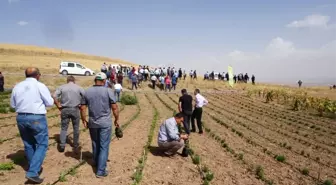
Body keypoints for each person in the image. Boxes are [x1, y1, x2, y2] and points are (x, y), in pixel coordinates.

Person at [10, 67, 54, 184]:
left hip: (21, 117)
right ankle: (33, 172)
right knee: (42, 144)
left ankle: (34, 167)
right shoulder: (40, 86)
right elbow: (49, 103)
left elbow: (13, 105)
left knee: (28, 144)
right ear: (37, 75)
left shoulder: (17, 86)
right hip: (36, 117)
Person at [80, 72, 119, 178]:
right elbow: (114, 107)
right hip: (105, 123)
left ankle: (96, 162)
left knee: (95, 143)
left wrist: (83, 119)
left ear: (95, 80)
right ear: (104, 81)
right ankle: (101, 171)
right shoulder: (108, 91)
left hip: (93, 122)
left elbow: (83, 108)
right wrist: (116, 119)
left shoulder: (87, 92)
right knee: (104, 146)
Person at [53, 76, 85, 153]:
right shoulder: (79, 87)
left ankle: (62, 145)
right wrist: (81, 104)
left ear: (67, 81)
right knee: (76, 128)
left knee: (64, 128)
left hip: (65, 109)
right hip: (75, 109)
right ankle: (75, 145)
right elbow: (85, 96)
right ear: (74, 81)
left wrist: (58, 105)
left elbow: (54, 96)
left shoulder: (62, 87)